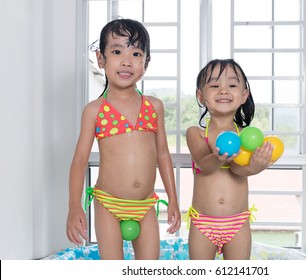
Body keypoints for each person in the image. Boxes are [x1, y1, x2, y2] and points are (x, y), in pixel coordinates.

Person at [66, 18, 181, 260]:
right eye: (117, 51)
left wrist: (173, 199)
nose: (127, 61)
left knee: (149, 266)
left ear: (146, 63)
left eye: (136, 53)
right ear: (101, 59)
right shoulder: (95, 110)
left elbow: (162, 154)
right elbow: (79, 161)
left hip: (145, 204)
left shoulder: (154, 106)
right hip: (108, 204)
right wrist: (74, 206)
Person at [185, 59, 274, 260]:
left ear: (244, 95)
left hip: (238, 223)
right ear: (201, 96)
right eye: (215, 85)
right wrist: (218, 156)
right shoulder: (196, 134)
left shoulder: (246, 138)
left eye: (232, 85)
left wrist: (254, 167)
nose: (223, 90)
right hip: (203, 223)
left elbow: (237, 170)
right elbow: (205, 166)